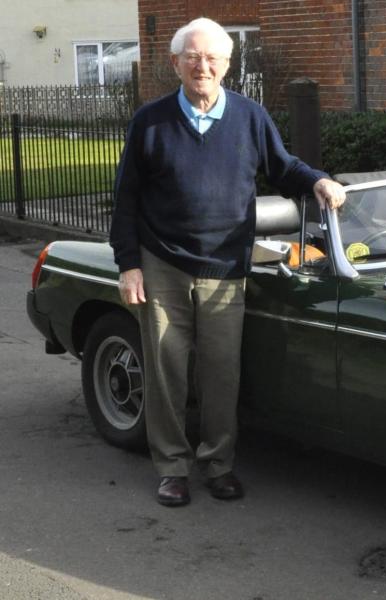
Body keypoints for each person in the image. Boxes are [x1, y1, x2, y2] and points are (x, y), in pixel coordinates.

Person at [109, 17, 345, 507]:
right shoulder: (149, 122)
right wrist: (129, 264)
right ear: (175, 63)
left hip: (225, 267)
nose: (203, 65)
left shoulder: (250, 117)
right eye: (192, 56)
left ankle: (218, 464)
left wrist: (318, 181)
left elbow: (284, 167)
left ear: (228, 65)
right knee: (166, 368)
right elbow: (126, 197)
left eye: (213, 57)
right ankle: (172, 468)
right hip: (163, 262)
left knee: (221, 372)